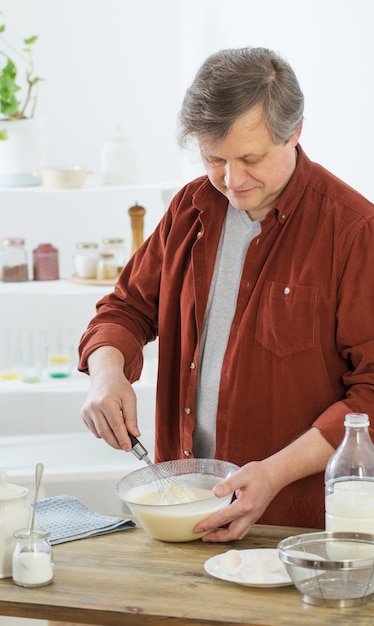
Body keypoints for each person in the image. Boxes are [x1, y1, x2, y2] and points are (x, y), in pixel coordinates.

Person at [78, 46, 374, 541]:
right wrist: (106, 375)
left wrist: (273, 474)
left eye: (251, 158)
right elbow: (126, 308)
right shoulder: (192, 207)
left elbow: (370, 396)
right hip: (185, 510)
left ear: (295, 132)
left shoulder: (354, 231)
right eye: (214, 158)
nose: (232, 181)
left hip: (295, 527)